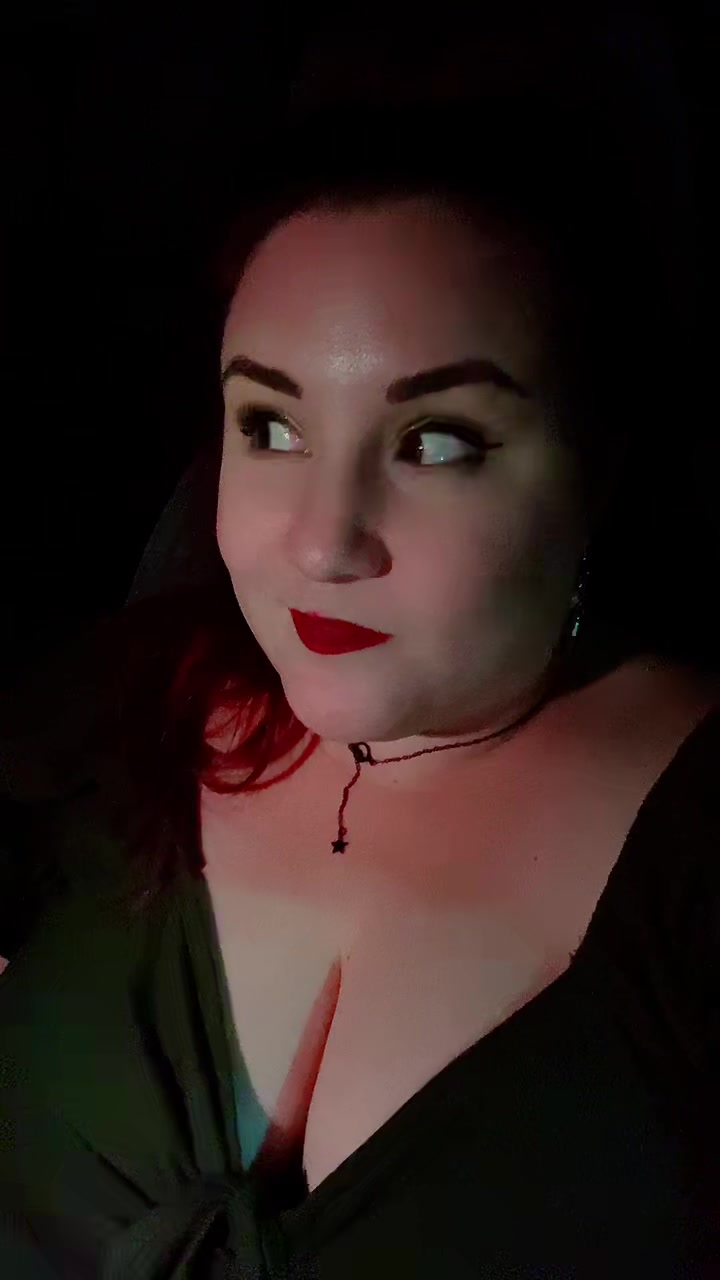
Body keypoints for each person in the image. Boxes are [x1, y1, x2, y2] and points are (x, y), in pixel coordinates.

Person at [1, 21, 719, 1277]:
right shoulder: (122, 713)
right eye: (270, 426)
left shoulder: (693, 866)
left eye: (436, 442)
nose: (324, 543)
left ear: (595, 467)